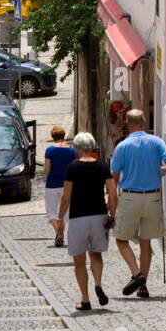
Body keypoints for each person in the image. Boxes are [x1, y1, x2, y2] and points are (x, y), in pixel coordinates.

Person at [110, 109, 166, 298]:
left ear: (127, 123)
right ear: (144, 121)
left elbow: (114, 179)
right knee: (145, 243)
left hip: (130, 198)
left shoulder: (122, 147)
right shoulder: (156, 142)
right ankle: (143, 286)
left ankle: (137, 273)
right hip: (152, 198)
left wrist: (111, 204)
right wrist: (160, 171)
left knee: (122, 239)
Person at [57, 132, 117, 312]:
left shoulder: (72, 169)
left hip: (78, 218)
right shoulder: (102, 167)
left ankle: (85, 300)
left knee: (79, 260)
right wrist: (112, 215)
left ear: (76, 149)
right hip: (99, 216)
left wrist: (60, 219)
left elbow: (66, 197)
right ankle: (98, 284)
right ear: (91, 148)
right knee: (96, 254)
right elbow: (113, 194)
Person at [43, 126, 77, 247]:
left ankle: (58, 231)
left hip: (52, 184)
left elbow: (46, 170)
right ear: (63, 136)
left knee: (51, 211)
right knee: (63, 211)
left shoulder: (50, 150)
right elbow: (74, 168)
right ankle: (60, 231)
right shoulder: (71, 150)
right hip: (67, 184)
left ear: (53, 137)